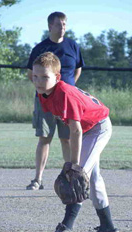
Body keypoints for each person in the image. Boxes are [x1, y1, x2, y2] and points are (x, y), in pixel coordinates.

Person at [32, 52, 121, 232]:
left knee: (78, 178)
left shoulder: (64, 93)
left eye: (45, 77)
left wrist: (74, 164)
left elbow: (76, 130)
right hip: (88, 128)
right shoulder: (43, 93)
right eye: (35, 76)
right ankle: (108, 229)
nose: (39, 81)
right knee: (94, 180)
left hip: (98, 127)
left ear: (57, 77)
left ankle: (67, 229)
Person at [26, 11, 84, 190]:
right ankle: (38, 180)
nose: (63, 28)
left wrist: (67, 89)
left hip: (67, 101)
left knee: (67, 138)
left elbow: (77, 70)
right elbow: (31, 74)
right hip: (45, 101)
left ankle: (70, 177)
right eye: (59, 24)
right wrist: (46, 90)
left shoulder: (73, 46)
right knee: (45, 138)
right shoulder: (40, 48)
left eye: (65, 24)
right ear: (50, 26)